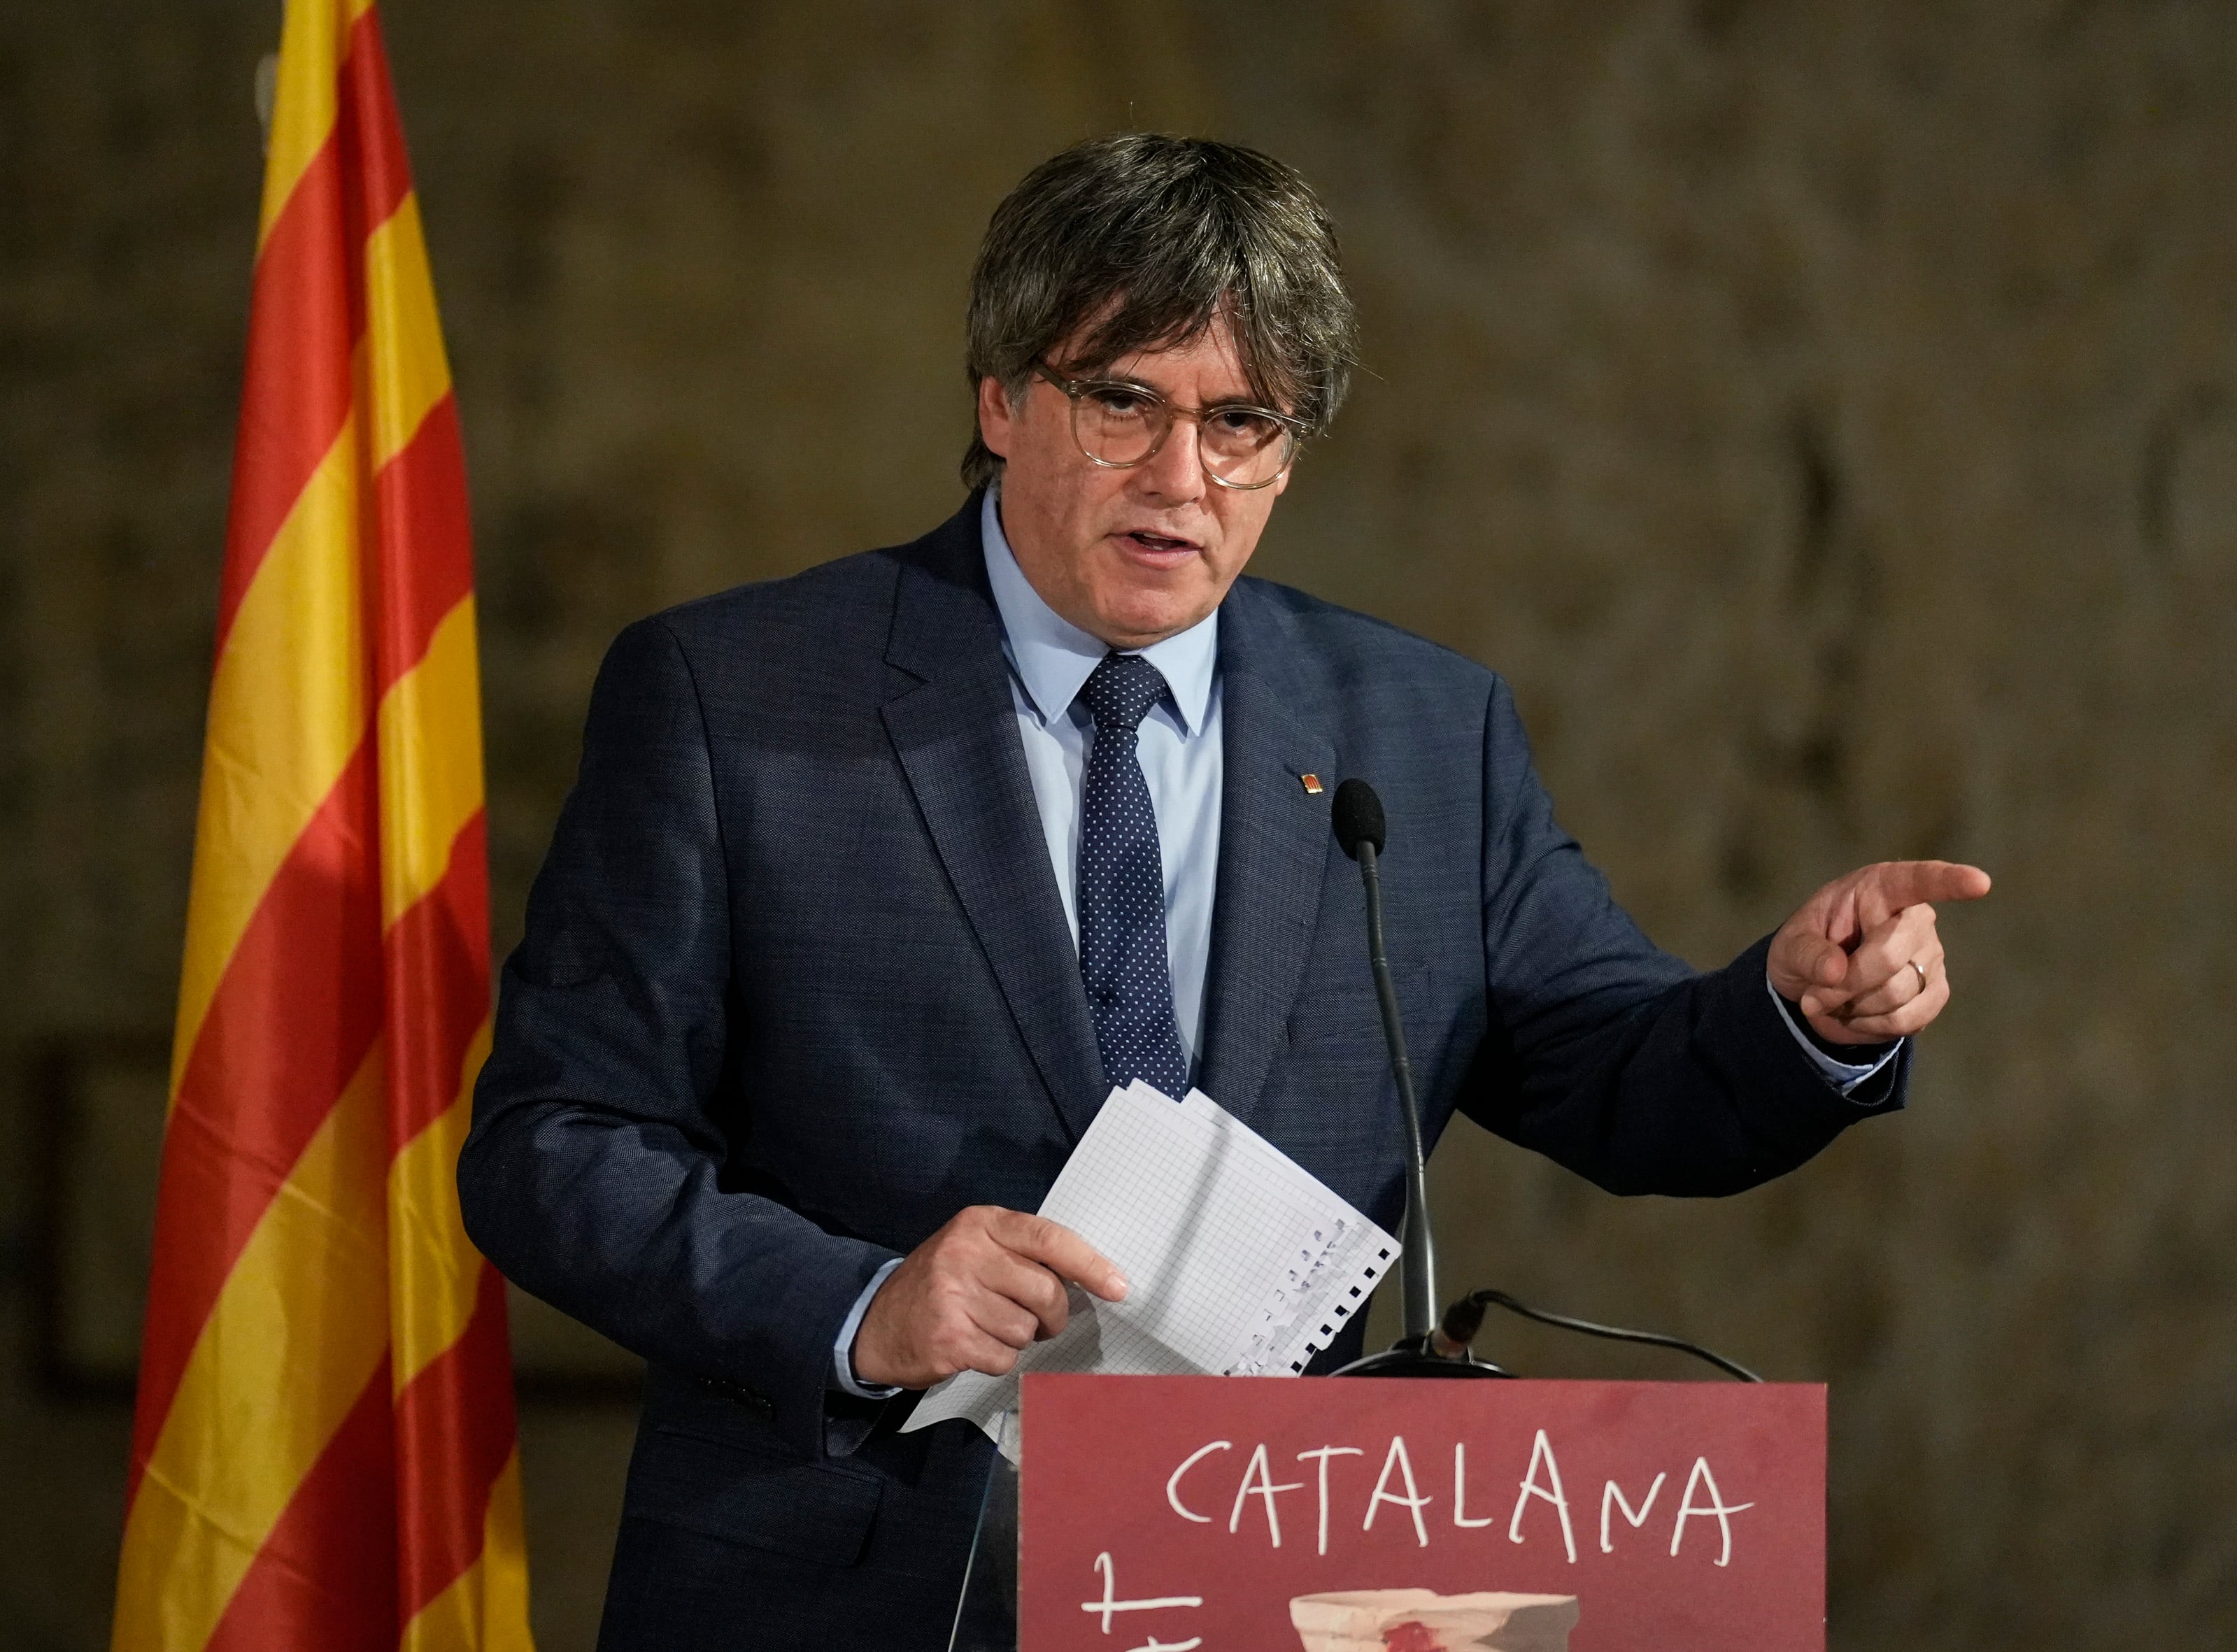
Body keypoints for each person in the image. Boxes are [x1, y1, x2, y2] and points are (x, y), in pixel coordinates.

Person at [460, 133, 1989, 1651]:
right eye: (1121, 401)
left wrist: (1800, 1011)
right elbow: (555, 1143)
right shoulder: (736, 697)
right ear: (998, 397)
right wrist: (863, 1304)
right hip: (852, 1581)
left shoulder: (1416, 726)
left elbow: (1618, 1070)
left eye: (1240, 419)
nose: (1180, 478)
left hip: (1272, 1578)